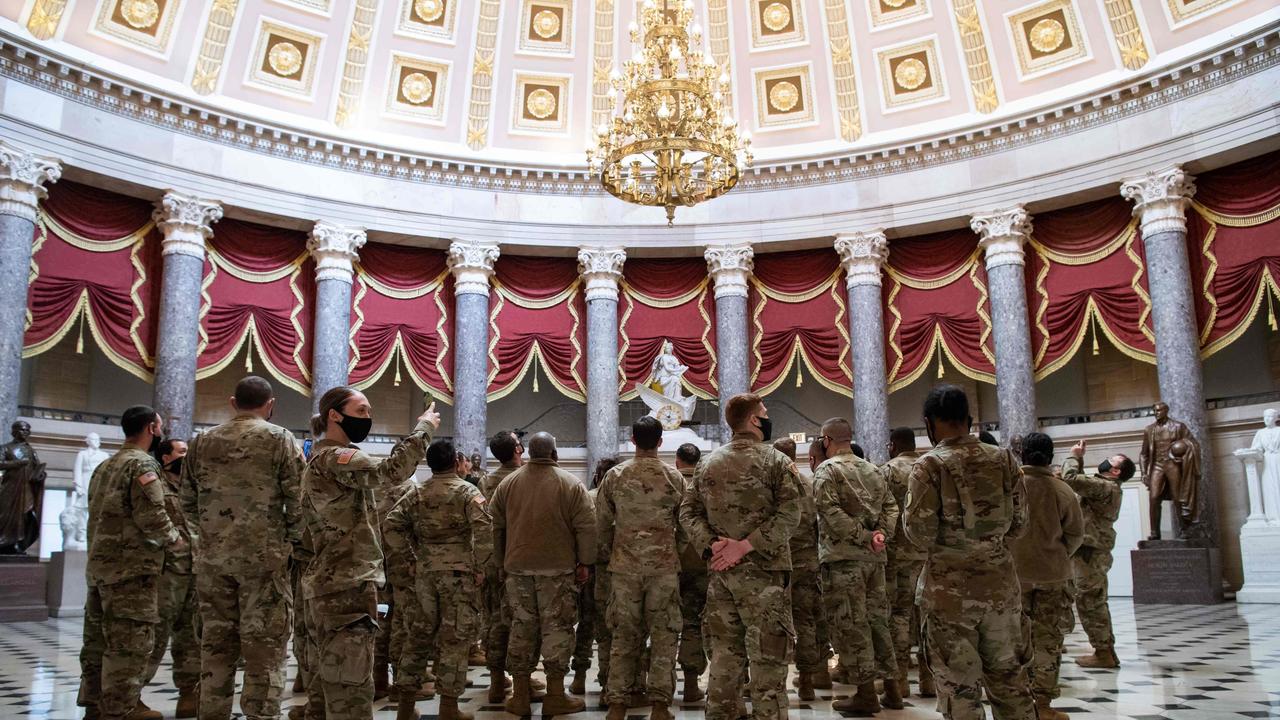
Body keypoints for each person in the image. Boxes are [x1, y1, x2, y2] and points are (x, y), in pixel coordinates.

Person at [302, 386, 441, 720]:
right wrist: (424, 428)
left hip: (331, 581)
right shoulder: (336, 457)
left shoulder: (320, 460)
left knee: (328, 687)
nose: (368, 418)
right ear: (335, 415)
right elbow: (389, 473)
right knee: (351, 692)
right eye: (361, 411)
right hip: (346, 585)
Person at [903, 384, 1035, 720]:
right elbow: (1020, 525)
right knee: (1011, 683)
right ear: (970, 419)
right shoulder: (1004, 458)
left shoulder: (929, 466)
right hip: (1002, 589)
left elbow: (920, 533)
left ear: (929, 424)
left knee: (959, 690)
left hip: (950, 595)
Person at [179, 375, 304, 720]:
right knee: (265, 652)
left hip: (213, 562)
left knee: (215, 649)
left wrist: (208, 539)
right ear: (271, 405)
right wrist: (293, 547)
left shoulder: (202, 442)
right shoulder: (280, 439)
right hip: (265, 562)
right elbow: (298, 502)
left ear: (233, 403)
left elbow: (186, 501)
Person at [679, 393, 801, 720]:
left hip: (722, 576)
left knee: (723, 659)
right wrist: (745, 545)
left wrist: (712, 545)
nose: (766, 416)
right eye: (763, 412)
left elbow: (687, 512)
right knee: (769, 663)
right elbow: (791, 514)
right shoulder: (776, 462)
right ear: (752, 420)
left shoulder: (708, 462)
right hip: (765, 577)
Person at [78, 405, 181, 720]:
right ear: (152, 428)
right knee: (130, 642)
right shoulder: (142, 465)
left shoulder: (105, 466)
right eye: (160, 426)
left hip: (100, 568)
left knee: (97, 641)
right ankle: (121, 708)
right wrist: (175, 540)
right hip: (131, 571)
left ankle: (95, 704)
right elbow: (151, 516)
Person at [384, 439, 493, 720]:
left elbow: (391, 525)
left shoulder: (416, 492)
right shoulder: (467, 491)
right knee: (455, 640)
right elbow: (483, 530)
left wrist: (410, 558)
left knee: (417, 638)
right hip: (459, 575)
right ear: (456, 463)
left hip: (424, 575)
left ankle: (406, 708)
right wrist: (481, 566)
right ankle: (448, 708)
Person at [489, 431, 596, 717]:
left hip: (517, 570)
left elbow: (495, 527)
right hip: (558, 572)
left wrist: (501, 563)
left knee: (521, 629)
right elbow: (586, 527)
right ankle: (556, 695)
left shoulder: (508, 484)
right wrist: (585, 562)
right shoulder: (571, 484)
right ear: (554, 452)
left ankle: (521, 695)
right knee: (558, 630)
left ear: (528, 451)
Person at [597, 417, 685, 720]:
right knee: (664, 637)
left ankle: (617, 705)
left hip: (624, 568)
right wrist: (674, 554)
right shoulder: (674, 478)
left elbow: (602, 526)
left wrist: (614, 554)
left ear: (632, 440)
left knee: (623, 636)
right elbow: (685, 527)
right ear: (661, 442)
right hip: (663, 569)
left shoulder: (614, 477)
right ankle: (660, 707)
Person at [813, 418, 900, 714]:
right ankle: (893, 689)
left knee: (852, 624)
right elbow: (891, 506)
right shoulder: (871, 468)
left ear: (826, 440)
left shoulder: (827, 470)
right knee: (878, 621)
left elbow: (830, 512)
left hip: (844, 560)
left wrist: (863, 537)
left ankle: (865, 694)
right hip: (875, 559)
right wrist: (880, 536)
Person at [1011, 433, 1083, 720]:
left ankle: (1015, 702)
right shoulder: (1062, 490)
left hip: (1014, 576)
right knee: (1048, 641)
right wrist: (1056, 554)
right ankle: (1041, 705)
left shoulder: (1010, 488)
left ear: (1021, 455)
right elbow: (1076, 535)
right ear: (1051, 457)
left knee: (1014, 640)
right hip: (1053, 575)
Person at [1062, 440, 1134, 670]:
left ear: (1115, 471)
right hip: (1091, 550)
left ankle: (1103, 652)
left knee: (1090, 601)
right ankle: (1105, 650)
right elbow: (1082, 485)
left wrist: (1073, 456)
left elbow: (1071, 479)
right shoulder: (1104, 487)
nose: (1106, 461)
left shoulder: (1105, 487)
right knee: (1092, 599)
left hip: (1090, 552)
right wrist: (1081, 459)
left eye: (1111, 460)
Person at [142, 438, 199, 718]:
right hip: (166, 574)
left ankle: (189, 694)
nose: (187, 457)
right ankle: (132, 696)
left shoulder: (193, 488)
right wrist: (173, 541)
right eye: (182, 452)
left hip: (194, 570)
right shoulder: (155, 484)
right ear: (166, 457)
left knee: (190, 636)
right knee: (155, 633)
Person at [772, 437, 826, 702]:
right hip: (807, 561)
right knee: (806, 621)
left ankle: (775, 683)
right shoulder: (809, 483)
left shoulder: (769, 483)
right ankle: (807, 682)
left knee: (772, 624)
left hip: (777, 563)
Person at [881, 427, 933, 700]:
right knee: (926, 618)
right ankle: (929, 681)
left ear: (892, 445)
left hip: (895, 556)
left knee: (898, 616)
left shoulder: (887, 471)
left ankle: (899, 681)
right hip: (927, 555)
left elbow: (880, 511)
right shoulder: (930, 466)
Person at [479, 430, 526, 704]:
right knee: (521, 620)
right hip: (517, 557)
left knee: (493, 620)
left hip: (490, 558)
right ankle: (520, 677)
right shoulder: (523, 479)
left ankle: (497, 681)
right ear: (518, 450)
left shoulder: (486, 481)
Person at [576, 457, 618, 701]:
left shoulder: (587, 497)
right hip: (614, 570)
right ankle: (607, 683)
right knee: (610, 629)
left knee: (585, 624)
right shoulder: (620, 499)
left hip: (587, 568)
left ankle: (579, 679)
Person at [673, 443, 708, 703]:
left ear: (677, 461)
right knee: (694, 623)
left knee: (662, 627)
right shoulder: (706, 485)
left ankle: (656, 688)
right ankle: (691, 684)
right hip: (699, 563)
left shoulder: (669, 482)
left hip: (668, 565)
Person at [1139, 401, 1200, 539]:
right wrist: (1143, 472)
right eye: (1155, 411)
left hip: (1173, 465)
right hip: (1157, 466)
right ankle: (1155, 533)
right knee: (1154, 498)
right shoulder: (1149, 430)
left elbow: (1194, 443)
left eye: (1159, 410)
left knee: (1178, 497)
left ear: (1166, 411)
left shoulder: (1178, 427)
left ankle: (1184, 530)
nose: (1156, 413)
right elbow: (1144, 454)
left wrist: (1183, 449)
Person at [0, 420, 47, 554]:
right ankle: (6, 543)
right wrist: (17, 463)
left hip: (27, 488)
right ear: (13, 432)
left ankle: (19, 543)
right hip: (11, 487)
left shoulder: (31, 450)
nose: (25, 432)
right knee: (7, 514)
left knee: (27, 515)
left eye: (27, 430)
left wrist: (40, 475)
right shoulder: (5, 447)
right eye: (22, 429)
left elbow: (36, 467)